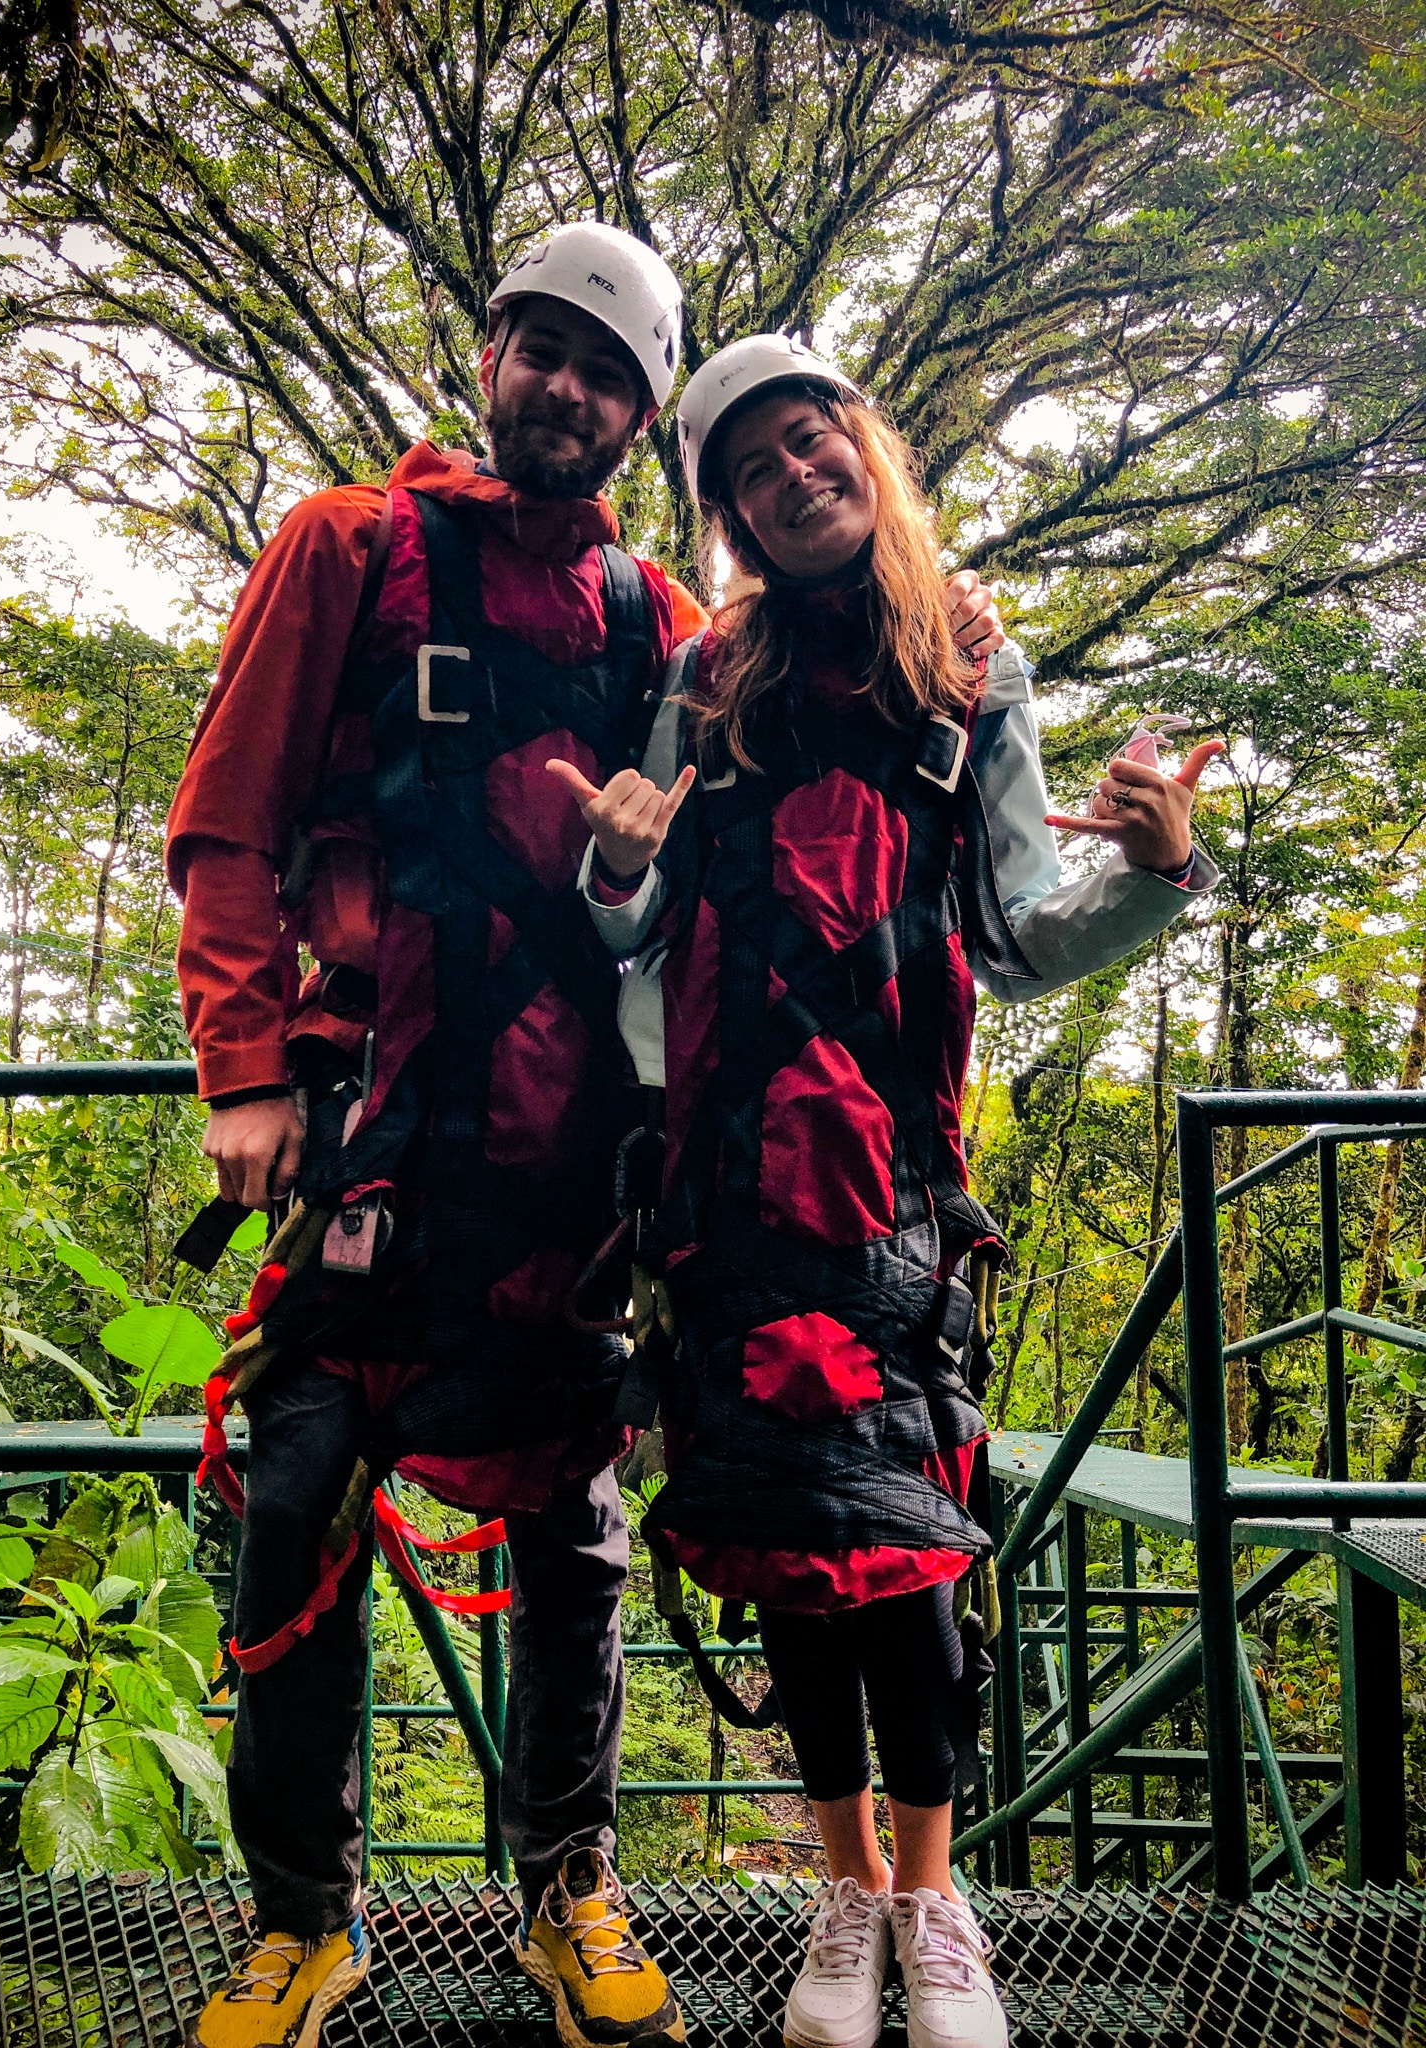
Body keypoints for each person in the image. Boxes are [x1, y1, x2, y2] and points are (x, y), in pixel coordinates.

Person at [168, 243, 1005, 2048]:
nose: (564, 388)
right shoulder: (346, 549)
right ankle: (303, 1917)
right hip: (370, 1113)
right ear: (491, 360)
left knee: (573, 1523)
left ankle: (572, 1888)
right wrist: (244, 1064)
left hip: (572, 1153)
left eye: (604, 373)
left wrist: (956, 665)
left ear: (639, 422)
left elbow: (808, 759)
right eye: (539, 352)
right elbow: (227, 823)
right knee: (301, 1487)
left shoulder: (652, 627)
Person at [550, 335, 1221, 2048]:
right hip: (723, 1178)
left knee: (910, 1563)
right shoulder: (706, 678)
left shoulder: (968, 673)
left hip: (899, 1186)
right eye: (750, 468)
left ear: (864, 445)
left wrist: (1155, 873)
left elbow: (1014, 933)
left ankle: (935, 1906)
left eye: (810, 439)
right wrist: (613, 864)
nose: (791, 476)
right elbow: (630, 920)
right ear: (729, 518)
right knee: (791, 1557)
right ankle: (842, 1900)